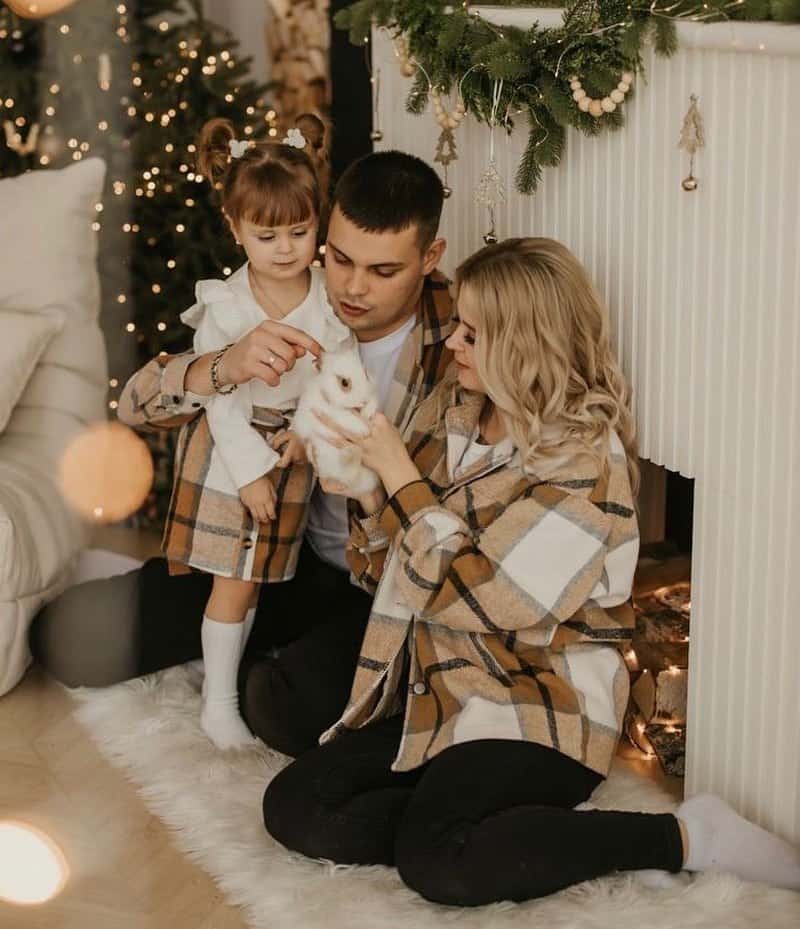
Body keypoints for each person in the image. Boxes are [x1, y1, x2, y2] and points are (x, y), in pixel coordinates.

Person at [262, 238, 800, 904]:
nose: (453, 342)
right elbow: (387, 574)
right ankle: (509, 831)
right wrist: (367, 490)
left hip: (540, 699)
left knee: (439, 862)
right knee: (295, 805)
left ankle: (684, 837)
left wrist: (398, 472)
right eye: (458, 324)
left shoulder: (583, 459)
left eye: (473, 333)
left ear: (523, 345)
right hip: (442, 679)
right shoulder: (453, 408)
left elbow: (491, 600)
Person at [29, 149, 453, 758]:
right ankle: (249, 632)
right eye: (338, 258)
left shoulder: (457, 345)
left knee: (279, 709)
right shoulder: (278, 295)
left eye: (383, 271)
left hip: (376, 582)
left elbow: (443, 522)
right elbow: (135, 406)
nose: (353, 288)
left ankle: (269, 654)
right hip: (274, 547)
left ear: (429, 258)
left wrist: (351, 464)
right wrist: (222, 367)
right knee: (64, 637)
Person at [163, 114, 351, 750]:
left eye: (300, 232)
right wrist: (248, 475)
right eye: (267, 234)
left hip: (291, 449)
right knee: (234, 580)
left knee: (259, 579)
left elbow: (339, 369)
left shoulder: (325, 298)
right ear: (234, 227)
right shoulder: (227, 305)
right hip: (235, 452)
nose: (286, 248)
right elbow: (218, 400)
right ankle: (218, 703)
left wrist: (309, 431)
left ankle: (226, 679)